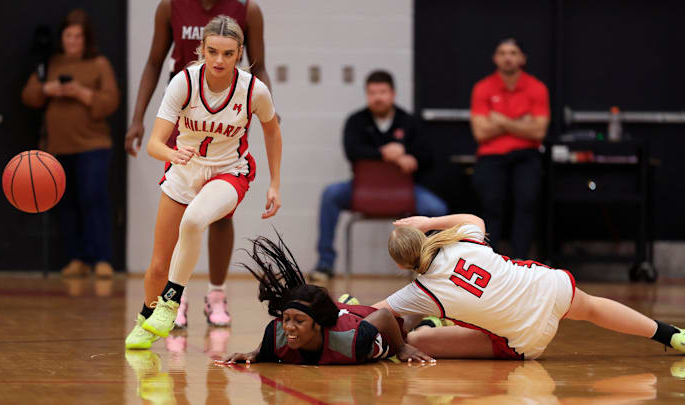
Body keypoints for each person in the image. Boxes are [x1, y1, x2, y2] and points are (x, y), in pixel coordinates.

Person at [125, 15, 282, 348]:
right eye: (212, 52)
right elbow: (154, 144)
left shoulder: (254, 90)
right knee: (156, 267)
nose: (219, 60)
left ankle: (171, 303)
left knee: (195, 220)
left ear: (240, 53)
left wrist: (274, 183)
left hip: (229, 172)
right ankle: (145, 319)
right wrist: (171, 155)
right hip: (184, 170)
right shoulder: (183, 82)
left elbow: (272, 130)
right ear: (201, 50)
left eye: (228, 53)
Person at [373, 214, 685, 360]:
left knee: (418, 339)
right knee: (595, 308)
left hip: (525, 338)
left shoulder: (418, 292)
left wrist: (346, 303)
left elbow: (376, 314)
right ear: (424, 236)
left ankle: (432, 321)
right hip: (546, 288)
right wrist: (429, 222)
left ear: (401, 265)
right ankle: (672, 335)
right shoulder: (462, 242)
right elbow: (473, 219)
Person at [310, 70, 449, 281]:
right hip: (362, 190)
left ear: (392, 94)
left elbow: (427, 157)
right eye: (372, 92)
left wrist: (411, 158)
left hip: (405, 191)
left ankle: (434, 267)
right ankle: (325, 264)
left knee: (437, 210)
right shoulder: (356, 121)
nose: (378, 97)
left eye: (382, 92)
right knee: (330, 194)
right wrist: (387, 153)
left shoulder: (409, 121)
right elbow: (352, 151)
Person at [218, 232, 434, 365]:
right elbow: (264, 350)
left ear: (318, 325)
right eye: (287, 319)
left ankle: (431, 302)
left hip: (370, 324)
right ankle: (347, 304)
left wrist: (402, 346)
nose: (289, 328)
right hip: (342, 315)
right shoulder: (277, 335)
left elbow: (385, 316)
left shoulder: (351, 340)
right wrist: (254, 354)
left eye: (299, 321)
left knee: (408, 326)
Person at [21, 9, 119, 278]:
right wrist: (46, 89)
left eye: (78, 36)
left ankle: (102, 258)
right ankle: (77, 258)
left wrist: (80, 92)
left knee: (93, 198)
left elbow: (110, 101)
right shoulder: (50, 63)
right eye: (68, 35)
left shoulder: (99, 63)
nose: (73, 41)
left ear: (86, 39)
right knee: (67, 204)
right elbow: (29, 96)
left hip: (92, 145)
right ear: (61, 38)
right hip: (57, 147)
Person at [470, 38, 549, 259]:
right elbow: (481, 133)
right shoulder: (482, 88)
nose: (507, 57)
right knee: (491, 207)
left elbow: (538, 132)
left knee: (527, 204)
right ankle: (489, 263)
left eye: (513, 53)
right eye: (502, 52)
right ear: (495, 58)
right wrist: (521, 122)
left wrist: (500, 121)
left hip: (527, 156)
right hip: (491, 157)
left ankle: (522, 262)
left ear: (522, 58)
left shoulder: (537, 88)